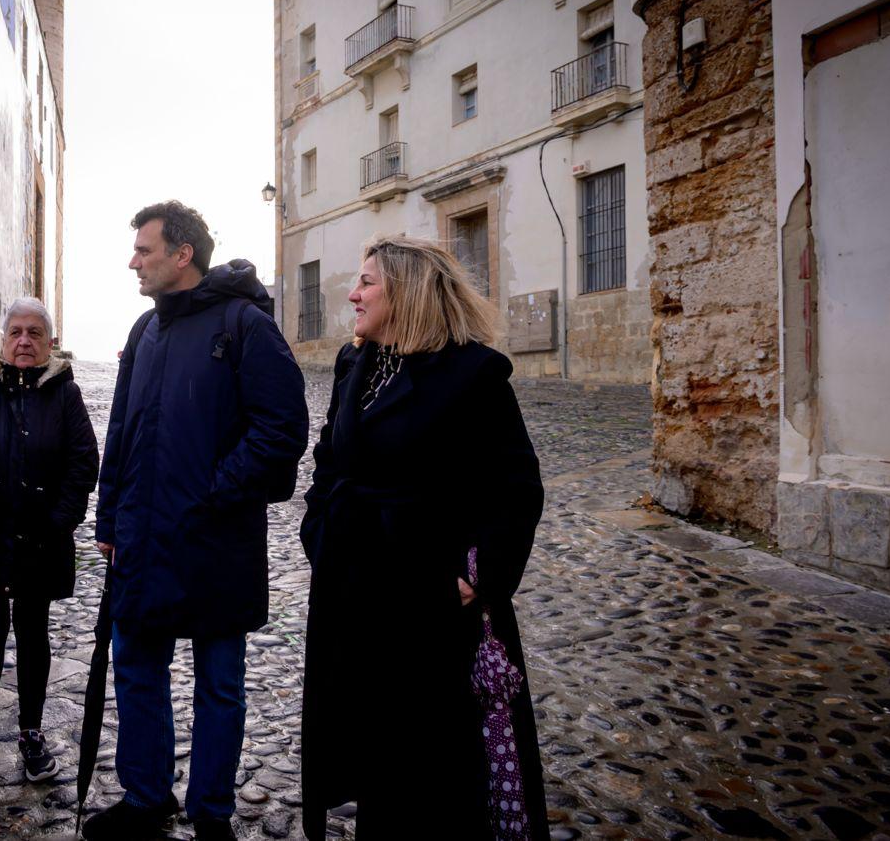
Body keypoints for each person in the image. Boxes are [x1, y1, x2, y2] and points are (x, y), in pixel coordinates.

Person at [298, 237, 546, 840]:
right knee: (371, 746)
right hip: (355, 587)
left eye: (366, 282)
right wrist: (319, 528)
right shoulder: (354, 364)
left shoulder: (473, 373)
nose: (353, 294)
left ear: (404, 292)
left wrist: (477, 575)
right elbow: (330, 460)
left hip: (430, 597)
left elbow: (515, 490)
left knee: (434, 764)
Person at [86, 201, 308, 841]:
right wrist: (108, 517)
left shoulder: (244, 324)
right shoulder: (144, 330)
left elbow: (282, 428)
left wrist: (213, 492)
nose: (133, 261)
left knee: (219, 684)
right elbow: (122, 432)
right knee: (136, 670)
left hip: (217, 541)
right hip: (142, 539)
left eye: (144, 250)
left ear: (182, 254)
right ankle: (145, 799)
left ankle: (212, 813)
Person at [0, 297, 98, 787]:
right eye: (15, 331)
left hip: (41, 538)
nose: (23, 340)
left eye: (34, 333)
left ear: (49, 343)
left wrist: (58, 521)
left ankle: (31, 732)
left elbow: (84, 463)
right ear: (3, 338)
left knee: (34, 635)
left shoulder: (64, 392)